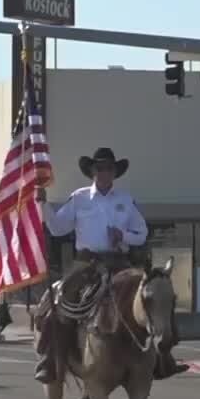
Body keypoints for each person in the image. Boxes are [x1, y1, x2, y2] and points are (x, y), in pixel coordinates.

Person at [34, 147, 188, 383]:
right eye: (99, 168)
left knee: (154, 296)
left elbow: (142, 232)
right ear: (92, 172)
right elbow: (57, 228)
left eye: (108, 168)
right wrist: (44, 206)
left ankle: (163, 358)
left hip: (119, 262)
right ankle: (51, 358)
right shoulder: (80, 198)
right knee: (63, 298)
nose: (104, 172)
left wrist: (124, 235)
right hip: (86, 263)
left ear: (115, 172)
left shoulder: (125, 200)